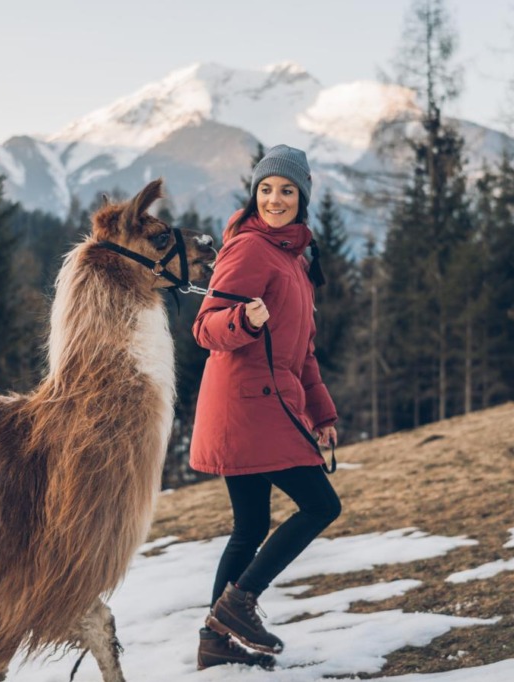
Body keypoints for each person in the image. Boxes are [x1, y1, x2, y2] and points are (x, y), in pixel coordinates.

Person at [189, 144, 342, 671]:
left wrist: (322, 414)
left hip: (266, 401)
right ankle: (238, 604)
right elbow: (205, 328)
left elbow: (303, 352)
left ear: (302, 198)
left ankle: (216, 640)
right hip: (248, 405)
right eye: (267, 189)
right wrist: (244, 322)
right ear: (255, 194)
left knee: (250, 527)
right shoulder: (250, 249)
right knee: (321, 506)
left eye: (287, 190)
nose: (275, 199)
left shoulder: (294, 259)